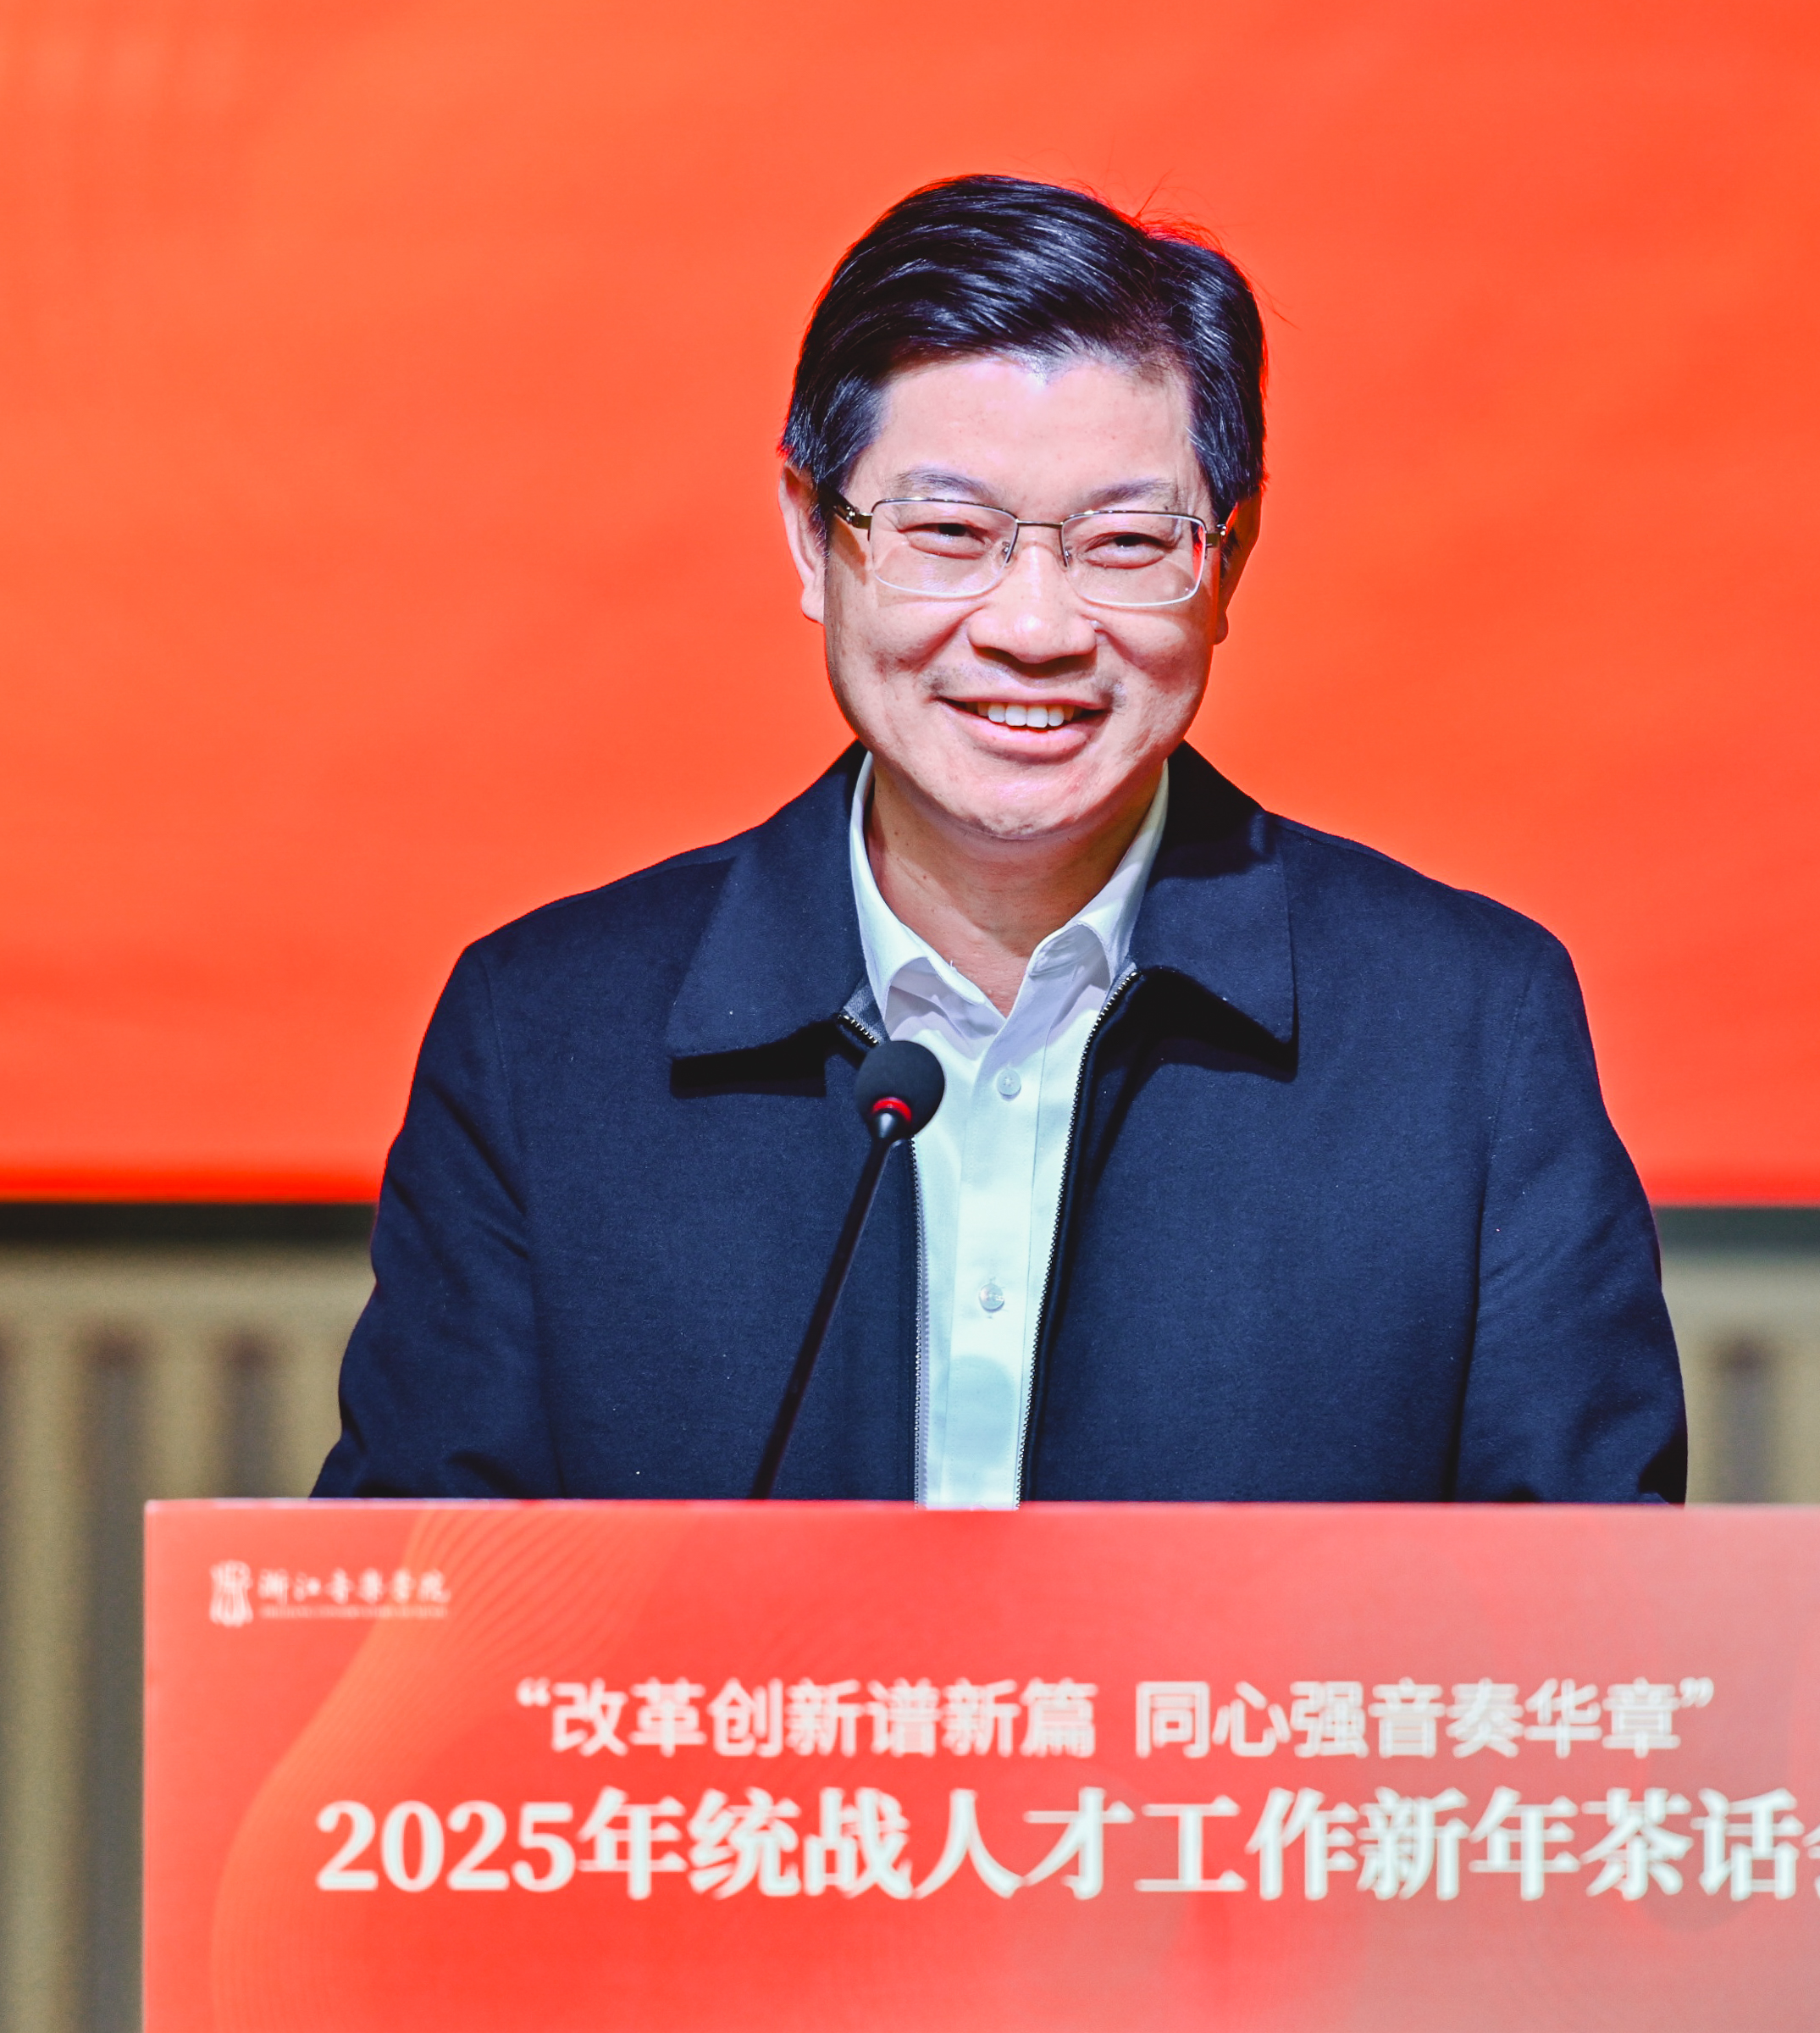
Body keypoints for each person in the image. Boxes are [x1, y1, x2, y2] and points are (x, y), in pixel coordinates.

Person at [314, 175, 1684, 1505]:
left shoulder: (1468, 1034)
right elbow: (415, 1617)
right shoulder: (544, 1039)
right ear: (811, 536)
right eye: (950, 531)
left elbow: (1590, 1622)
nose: (1034, 627)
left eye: (1127, 542)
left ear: (1229, 561)